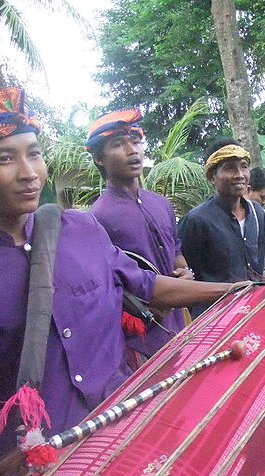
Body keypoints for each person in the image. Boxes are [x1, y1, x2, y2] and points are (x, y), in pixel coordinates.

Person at [0, 88, 241, 476]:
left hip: (124, 443)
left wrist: (236, 291)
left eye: (34, 154)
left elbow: (147, 286)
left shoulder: (84, 230)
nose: (29, 173)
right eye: (5, 159)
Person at [87, 108, 191, 368]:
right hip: (137, 342)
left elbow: (175, 250)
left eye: (135, 141)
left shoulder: (161, 204)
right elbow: (103, 285)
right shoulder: (97, 217)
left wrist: (184, 272)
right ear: (100, 158)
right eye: (118, 144)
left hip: (178, 328)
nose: (132, 150)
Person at [178, 137, 265, 318]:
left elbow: (257, 267)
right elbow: (186, 276)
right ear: (212, 177)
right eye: (229, 168)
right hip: (212, 319)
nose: (239, 174)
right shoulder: (196, 220)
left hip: (252, 312)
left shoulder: (257, 214)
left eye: (243, 166)